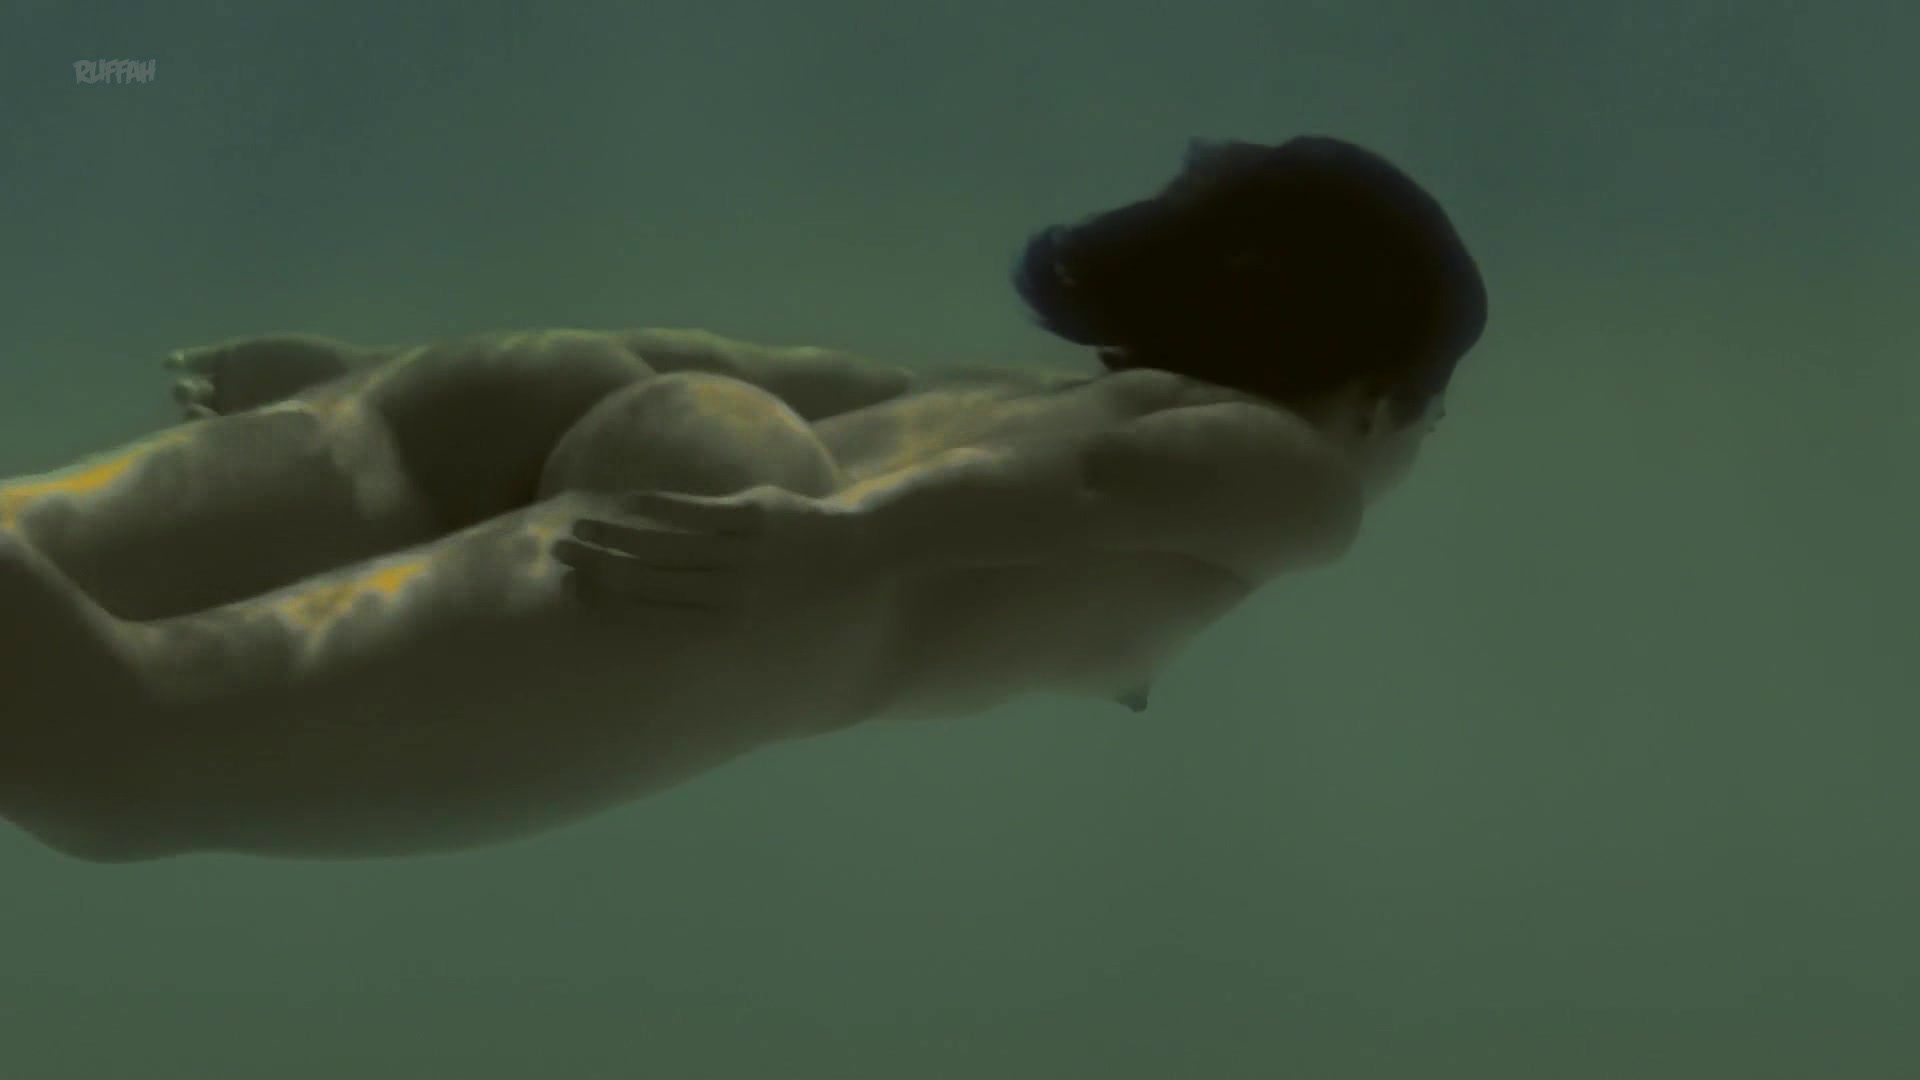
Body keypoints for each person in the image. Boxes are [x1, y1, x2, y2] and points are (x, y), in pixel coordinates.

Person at [0, 135, 1486, 862]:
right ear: (1375, 396)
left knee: (40, 574)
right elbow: (1123, 483)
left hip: (585, 405)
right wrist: (846, 545)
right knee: (117, 756)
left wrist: (370, 373)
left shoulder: (1021, 394)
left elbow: (756, 367)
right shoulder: (1299, 481)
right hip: (740, 571)